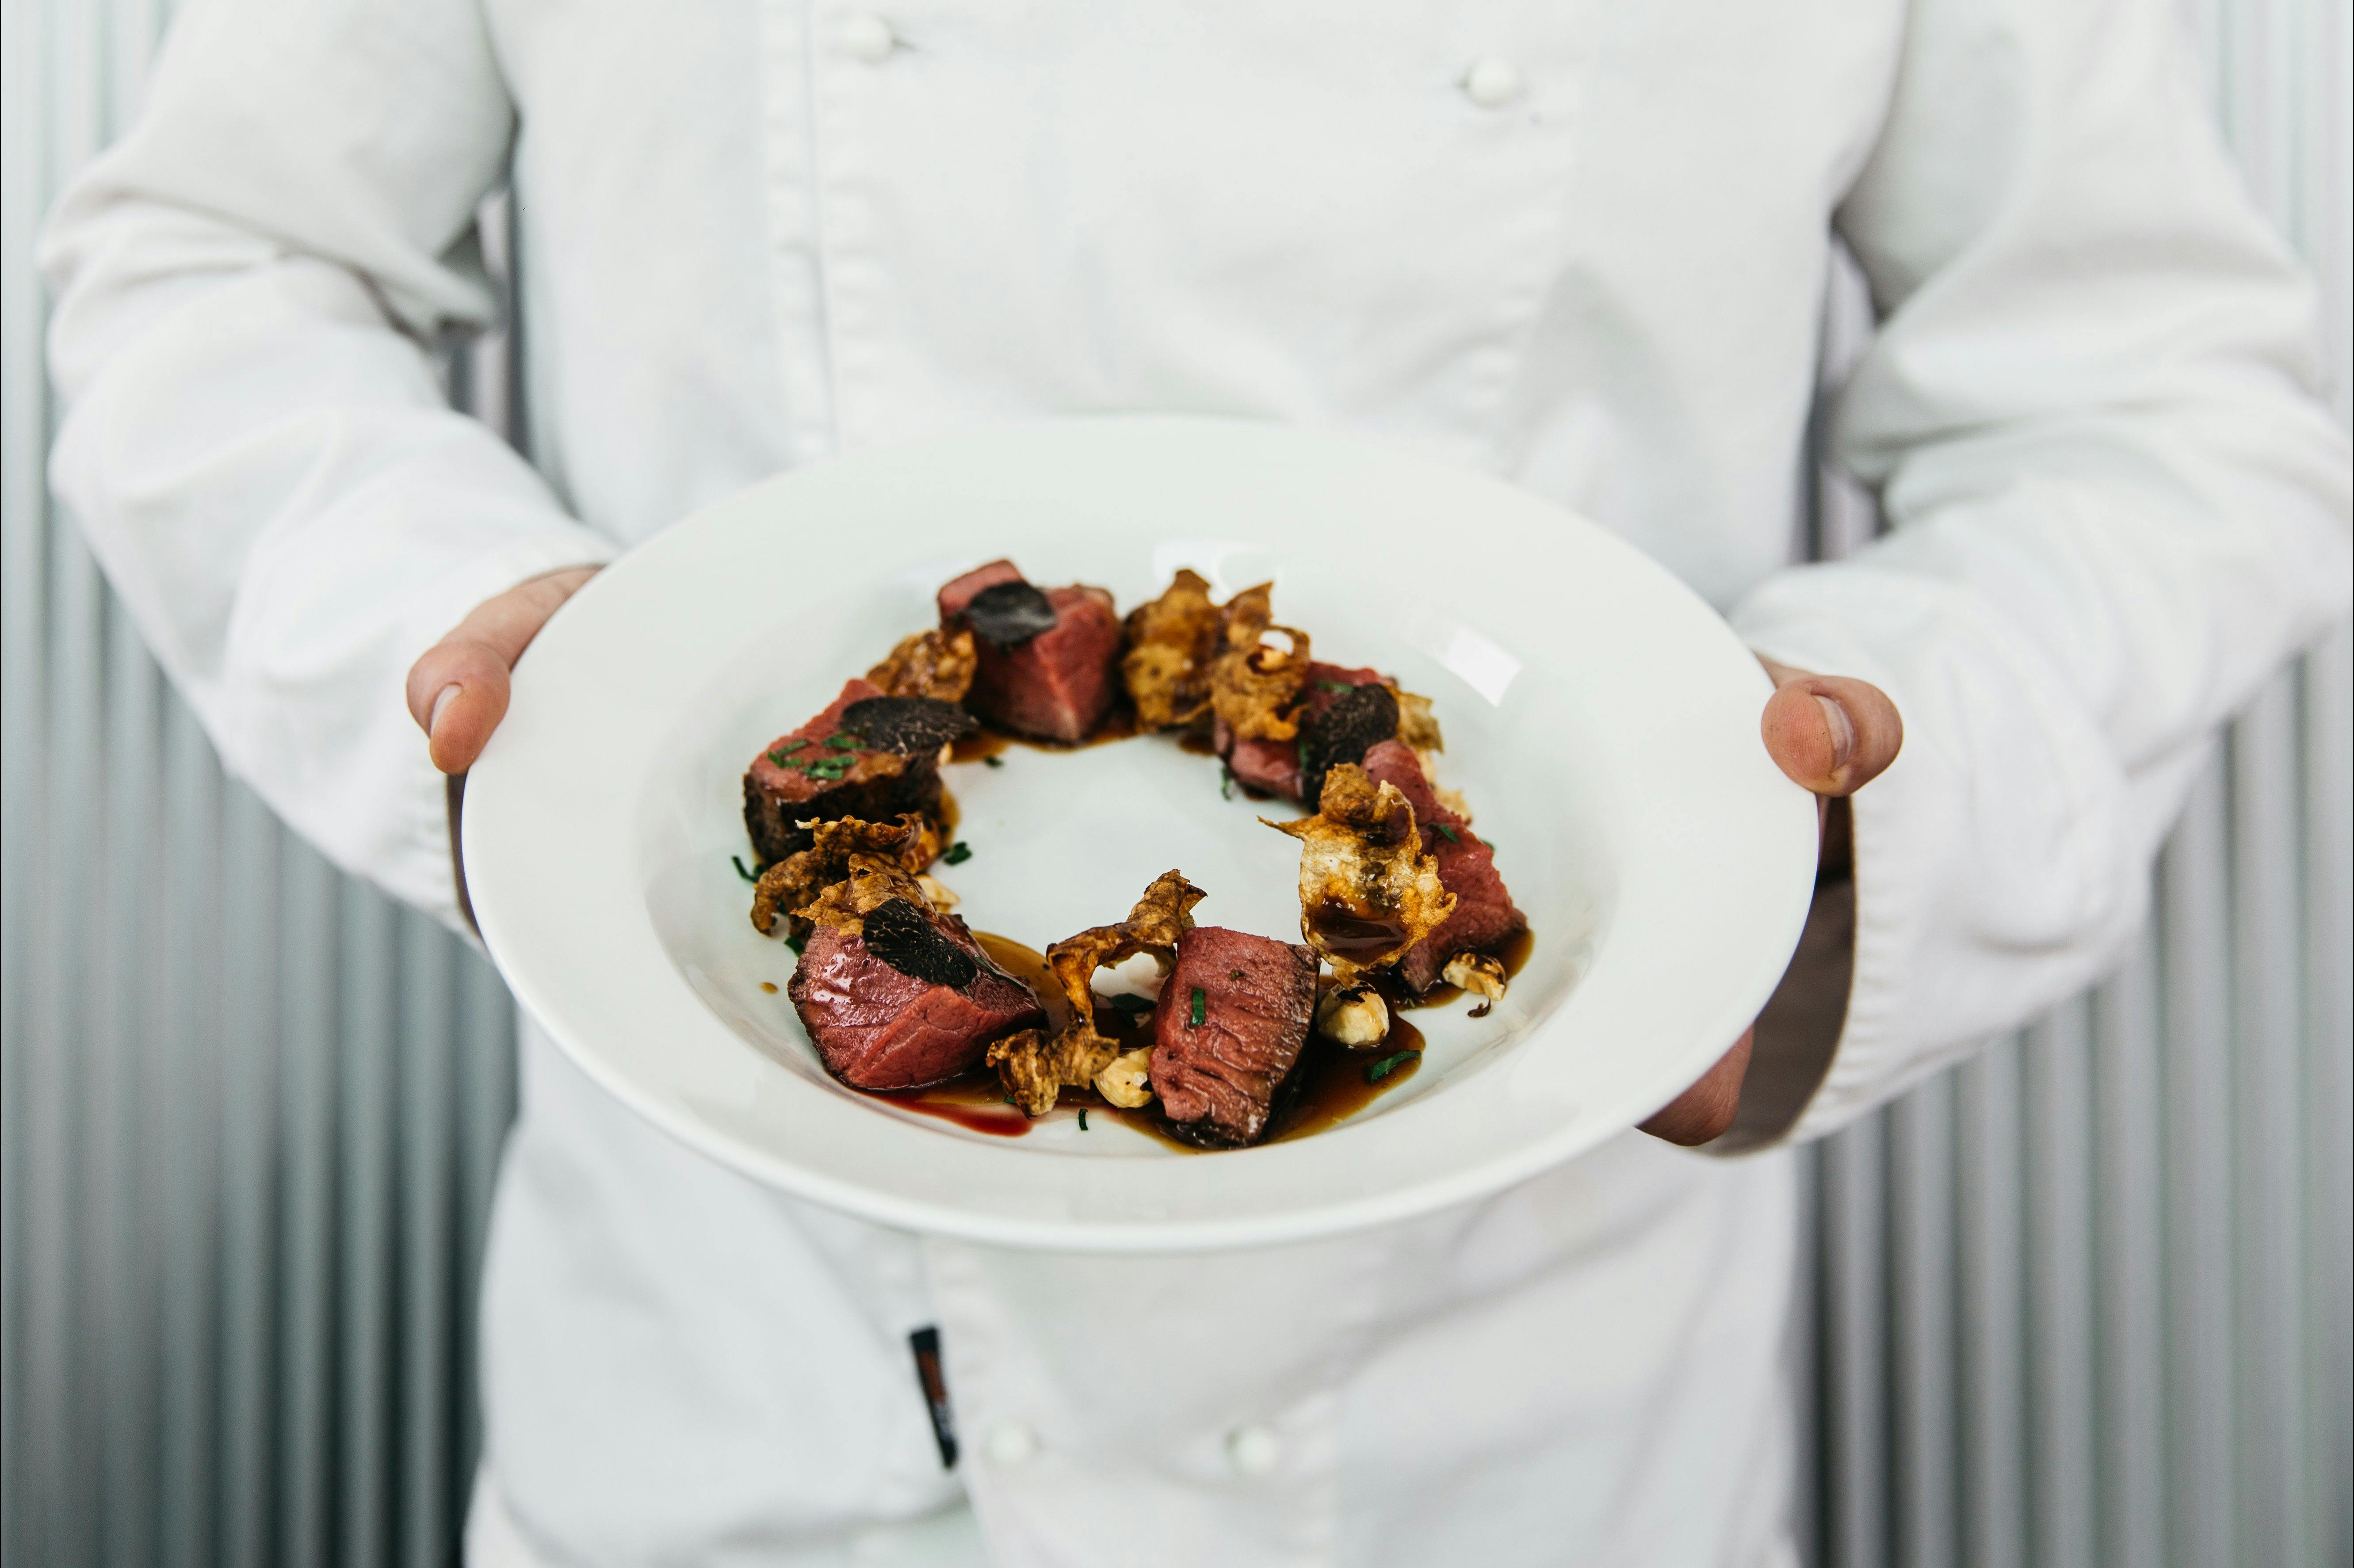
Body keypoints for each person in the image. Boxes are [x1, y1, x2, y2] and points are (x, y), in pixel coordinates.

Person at [40, 0, 2349, 1561]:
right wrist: (496, 676)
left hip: (1531, 1446)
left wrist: (1837, 853)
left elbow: (2155, 414)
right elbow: (218, 269)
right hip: (746, 1407)